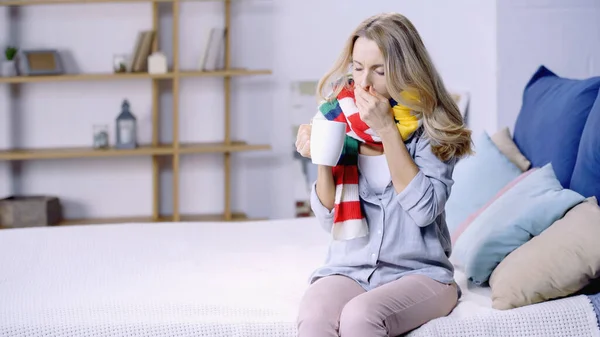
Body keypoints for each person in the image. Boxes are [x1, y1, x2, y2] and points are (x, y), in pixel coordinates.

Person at [294, 12, 473, 337]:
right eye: (358, 68)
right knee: (314, 316)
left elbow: (423, 211)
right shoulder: (340, 116)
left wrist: (387, 129)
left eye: (379, 71)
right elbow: (327, 220)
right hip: (349, 269)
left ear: (405, 70)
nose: (363, 83)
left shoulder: (433, 125)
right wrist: (322, 153)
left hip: (420, 274)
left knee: (361, 317)